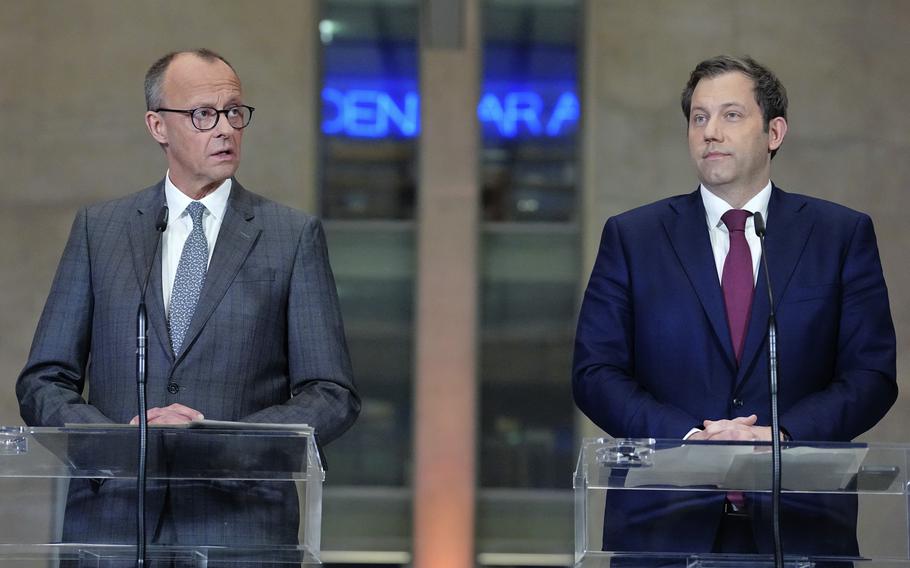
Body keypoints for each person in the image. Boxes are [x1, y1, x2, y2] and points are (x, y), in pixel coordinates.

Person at [16, 49, 360, 555]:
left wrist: (221, 441)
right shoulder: (101, 231)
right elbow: (43, 380)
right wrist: (116, 443)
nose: (225, 129)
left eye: (235, 112)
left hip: (239, 527)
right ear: (158, 126)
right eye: (203, 114)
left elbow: (332, 393)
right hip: (114, 524)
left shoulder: (291, 236)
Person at [573, 55, 897, 562]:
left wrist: (781, 436)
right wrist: (690, 438)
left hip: (799, 527)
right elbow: (595, 372)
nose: (709, 132)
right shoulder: (633, 237)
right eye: (698, 118)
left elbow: (871, 375)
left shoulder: (839, 236)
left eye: (730, 115)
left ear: (774, 131)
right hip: (663, 528)